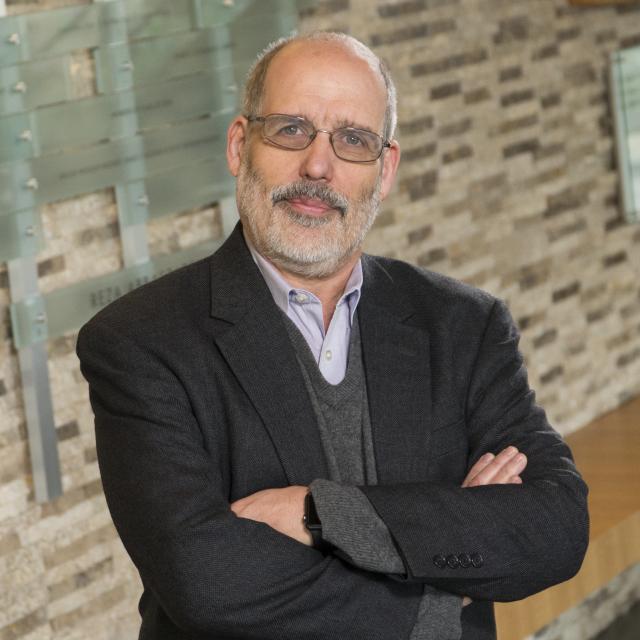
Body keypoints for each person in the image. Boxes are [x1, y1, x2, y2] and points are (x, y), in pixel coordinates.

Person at [77, 31, 589, 640]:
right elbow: (208, 583)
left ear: (385, 169)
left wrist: (319, 513)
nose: (318, 166)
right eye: (291, 129)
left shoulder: (462, 325)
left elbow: (555, 526)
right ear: (240, 146)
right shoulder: (139, 342)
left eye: (353, 140)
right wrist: (441, 588)